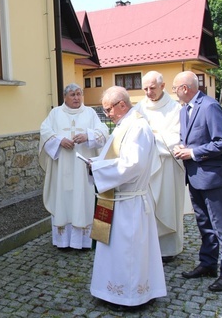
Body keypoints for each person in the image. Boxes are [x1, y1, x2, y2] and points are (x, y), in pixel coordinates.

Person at [89, 86, 166, 311]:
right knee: (114, 250)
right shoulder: (124, 125)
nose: (107, 115)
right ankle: (110, 289)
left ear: (121, 104)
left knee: (128, 252)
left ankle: (130, 297)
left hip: (130, 202)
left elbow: (132, 165)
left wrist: (99, 170)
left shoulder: (138, 127)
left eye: (108, 110)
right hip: (116, 198)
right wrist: (95, 167)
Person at [172, 71, 222, 292]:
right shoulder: (184, 111)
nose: (173, 92)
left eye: (175, 88)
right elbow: (187, 138)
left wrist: (192, 153)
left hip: (214, 177)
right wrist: (181, 147)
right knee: (204, 225)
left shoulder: (210, 107)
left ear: (185, 88)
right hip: (194, 176)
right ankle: (208, 264)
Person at [39, 83, 109, 249]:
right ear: (65, 97)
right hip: (61, 167)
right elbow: (45, 131)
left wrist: (88, 136)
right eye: (72, 94)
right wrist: (59, 140)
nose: (77, 98)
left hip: (82, 169)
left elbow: (103, 130)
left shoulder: (90, 113)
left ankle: (82, 242)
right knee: (62, 199)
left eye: (79, 94)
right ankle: (62, 242)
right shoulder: (55, 113)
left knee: (82, 199)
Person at [134, 71, 191, 263]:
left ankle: (169, 250)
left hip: (167, 166)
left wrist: (151, 137)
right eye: (145, 89)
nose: (148, 92)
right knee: (148, 207)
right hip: (147, 167)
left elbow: (178, 138)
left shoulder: (175, 109)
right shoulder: (139, 107)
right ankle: (149, 246)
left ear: (163, 86)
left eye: (152, 88)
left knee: (168, 205)